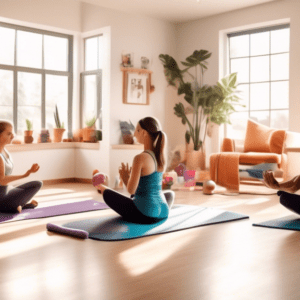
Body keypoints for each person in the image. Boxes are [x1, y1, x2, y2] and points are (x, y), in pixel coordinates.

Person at [93, 116, 175, 224]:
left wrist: (125, 178)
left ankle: (101, 187)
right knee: (170, 194)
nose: (135, 134)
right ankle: (156, 207)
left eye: (137, 130)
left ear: (144, 133)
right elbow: (142, 189)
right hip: (163, 212)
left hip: (145, 215)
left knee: (107, 193)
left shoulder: (139, 158)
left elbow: (131, 190)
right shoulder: (160, 157)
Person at [0, 120, 42, 213]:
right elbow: (2, 180)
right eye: (9, 133)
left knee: (36, 184)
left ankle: (15, 205)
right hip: (1, 195)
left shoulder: (5, 151)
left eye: (13, 133)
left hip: (6, 190)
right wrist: (25, 175)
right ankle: (16, 206)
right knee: (37, 184)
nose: (13, 136)